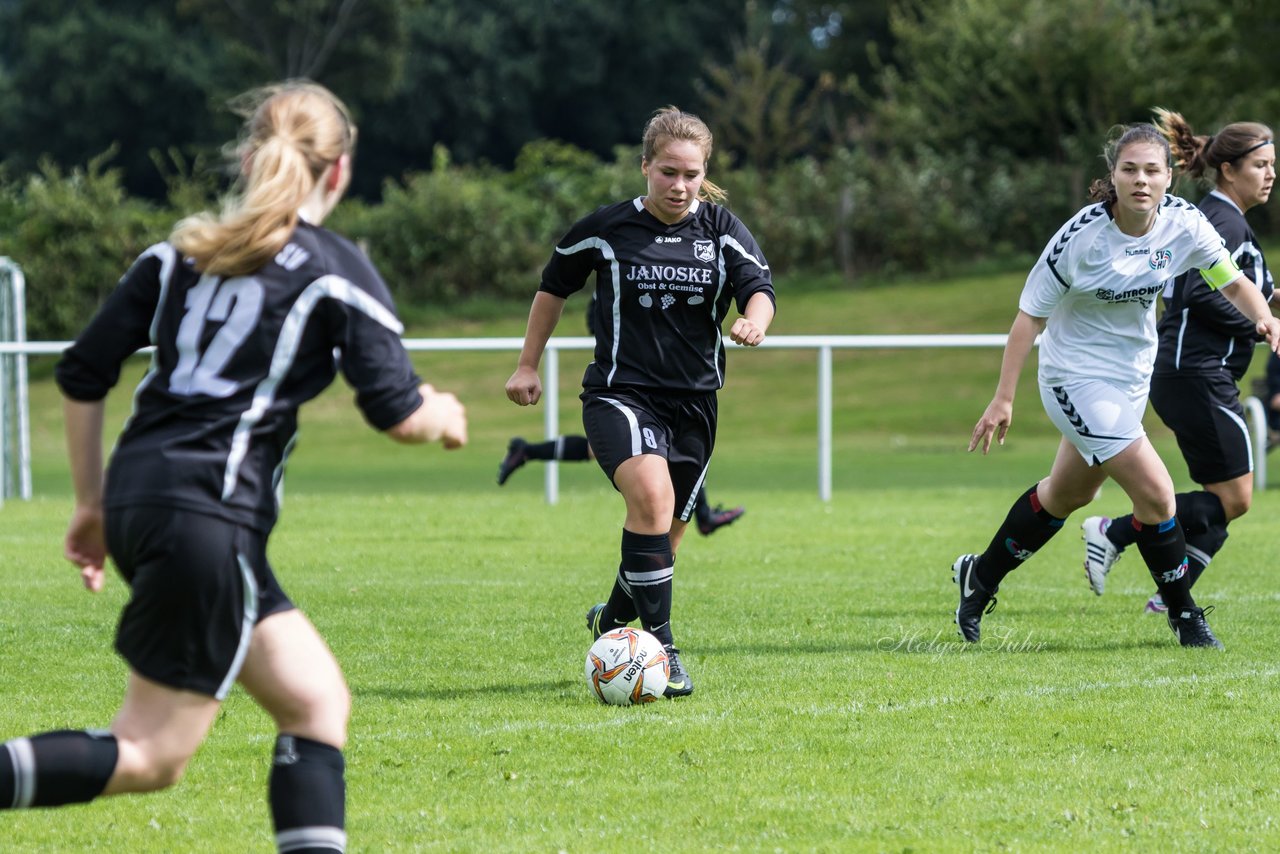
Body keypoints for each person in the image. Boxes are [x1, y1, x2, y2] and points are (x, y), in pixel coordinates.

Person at [0, 81, 467, 851]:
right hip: (206, 516)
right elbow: (397, 413)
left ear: (249, 159)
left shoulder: (178, 254)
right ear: (340, 174)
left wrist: (91, 504)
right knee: (151, 753)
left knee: (316, 704)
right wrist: (445, 413)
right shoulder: (333, 269)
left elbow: (83, 372)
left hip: (147, 502)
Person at [953, 118, 1280, 649]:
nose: (1141, 181)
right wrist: (1003, 398)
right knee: (1156, 492)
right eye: (1130, 170)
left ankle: (979, 575)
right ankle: (1186, 617)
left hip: (1130, 378)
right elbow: (1027, 319)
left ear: (1169, 177)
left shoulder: (1185, 224)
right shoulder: (1080, 238)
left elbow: (1233, 282)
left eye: (1152, 170)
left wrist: (1265, 318)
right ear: (1114, 175)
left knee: (1065, 495)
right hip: (1072, 378)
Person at [505, 106, 775, 697]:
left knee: (664, 539)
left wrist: (755, 322)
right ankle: (665, 651)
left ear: (704, 174)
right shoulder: (606, 228)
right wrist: (528, 363)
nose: (680, 186)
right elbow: (553, 287)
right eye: (668, 173)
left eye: (692, 174)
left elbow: (760, 290)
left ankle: (611, 621)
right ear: (646, 167)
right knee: (652, 499)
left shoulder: (722, 230)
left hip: (696, 406)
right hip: (620, 395)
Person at [1081, 112, 1275, 613]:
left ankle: (1169, 599)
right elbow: (1197, 294)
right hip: (1196, 371)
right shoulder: (1222, 221)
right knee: (1234, 497)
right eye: (1260, 164)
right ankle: (1115, 532)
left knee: (1226, 501)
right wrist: (1258, 321)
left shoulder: (1224, 220)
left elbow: (1236, 293)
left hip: (1197, 372)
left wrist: (1270, 303)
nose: (1270, 174)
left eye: (1272, 165)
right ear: (1229, 170)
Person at [496, 434, 746, 535]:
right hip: (630, 362)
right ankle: (703, 516)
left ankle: (526, 451)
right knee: (673, 444)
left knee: (675, 444)